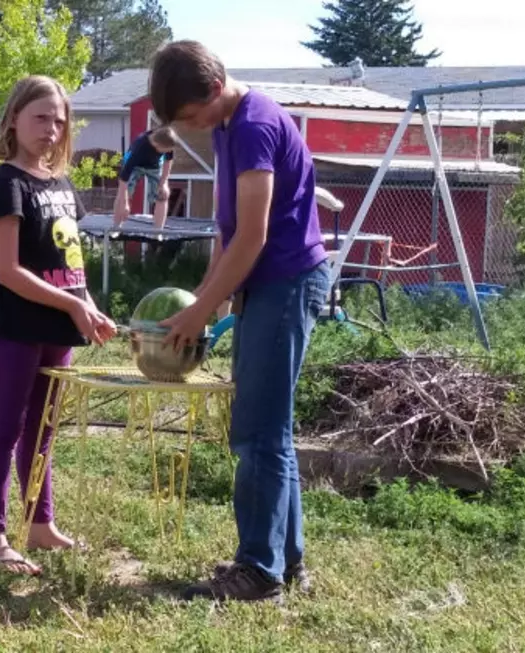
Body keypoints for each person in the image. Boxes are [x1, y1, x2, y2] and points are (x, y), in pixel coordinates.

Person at [149, 40, 331, 604]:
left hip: (285, 282)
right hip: (264, 284)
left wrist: (201, 311)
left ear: (216, 84)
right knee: (268, 427)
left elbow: (253, 237)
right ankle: (287, 559)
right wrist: (206, 296)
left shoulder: (252, 125)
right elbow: (228, 230)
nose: (193, 126)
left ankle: (258, 571)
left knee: (256, 432)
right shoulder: (228, 124)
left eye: (191, 115)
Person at [0, 75, 118, 576]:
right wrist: (73, 306)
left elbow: (72, 265)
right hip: (17, 327)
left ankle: (40, 525)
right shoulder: (6, 184)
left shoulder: (61, 185)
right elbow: (7, 271)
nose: (52, 129)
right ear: (13, 119)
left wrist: (89, 306)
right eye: (40, 117)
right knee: (7, 428)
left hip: (61, 330)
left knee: (44, 430)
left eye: (59, 120)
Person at [112, 126, 177, 229]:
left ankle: (158, 231)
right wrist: (125, 204)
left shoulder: (166, 139)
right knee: (124, 193)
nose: (165, 153)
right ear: (156, 145)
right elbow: (123, 180)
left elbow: (168, 161)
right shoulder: (139, 148)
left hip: (154, 166)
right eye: (163, 151)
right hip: (135, 166)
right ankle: (116, 226)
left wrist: (164, 182)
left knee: (163, 194)